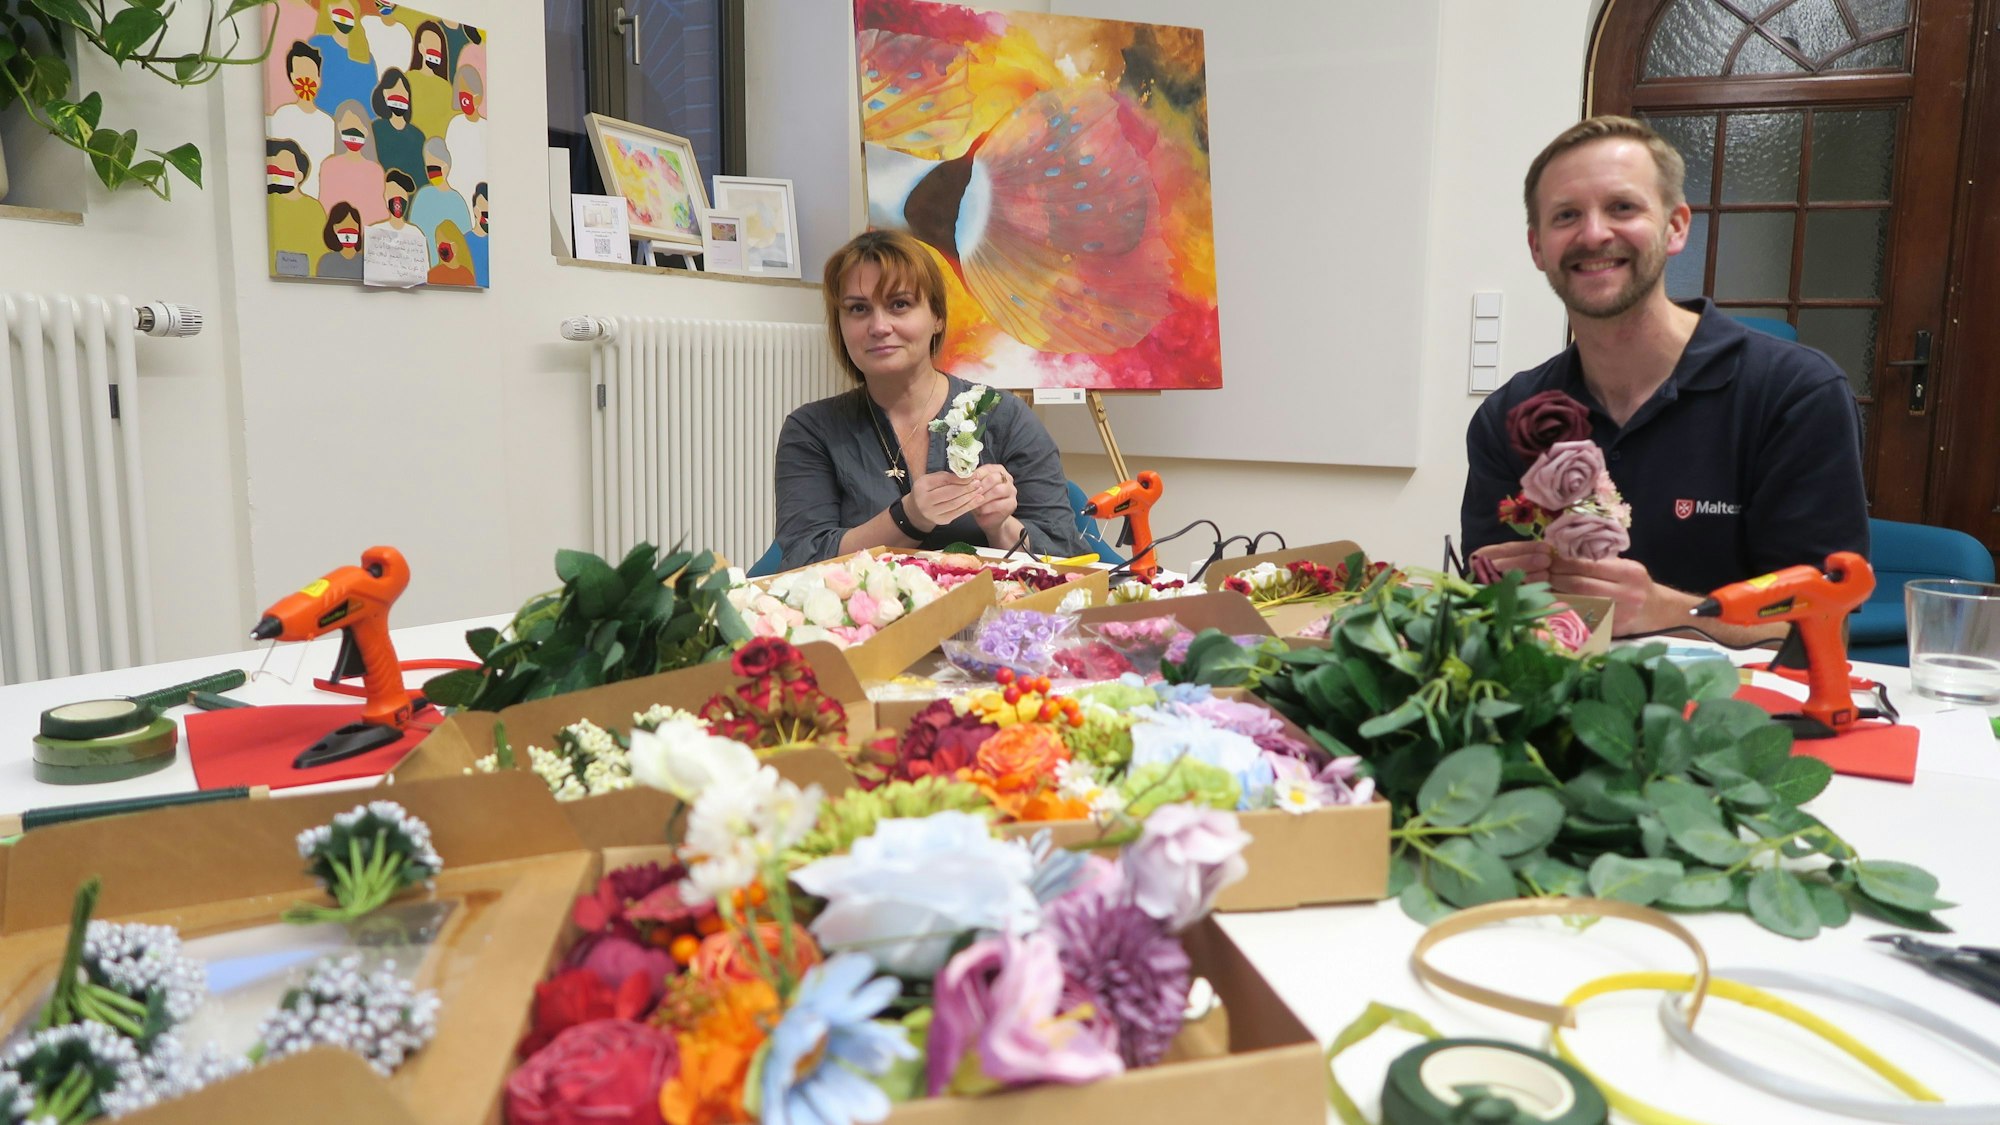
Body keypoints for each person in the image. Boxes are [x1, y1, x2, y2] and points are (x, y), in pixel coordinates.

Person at [1461, 115, 1868, 642]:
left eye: (1622, 207)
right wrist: (1496, 594)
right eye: (1566, 216)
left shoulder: (1796, 395)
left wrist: (1668, 610)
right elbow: (1489, 610)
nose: (1593, 233)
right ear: (1538, 247)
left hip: (1740, 712)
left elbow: (1821, 626)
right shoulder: (1512, 415)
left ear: (1675, 226)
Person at [773, 230, 1086, 571]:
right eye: (858, 309)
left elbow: (1064, 558)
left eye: (899, 304)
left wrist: (1000, 526)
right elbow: (804, 559)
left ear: (937, 317)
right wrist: (909, 518)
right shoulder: (812, 430)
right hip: (867, 622)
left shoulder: (1004, 417)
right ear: (841, 325)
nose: (879, 326)